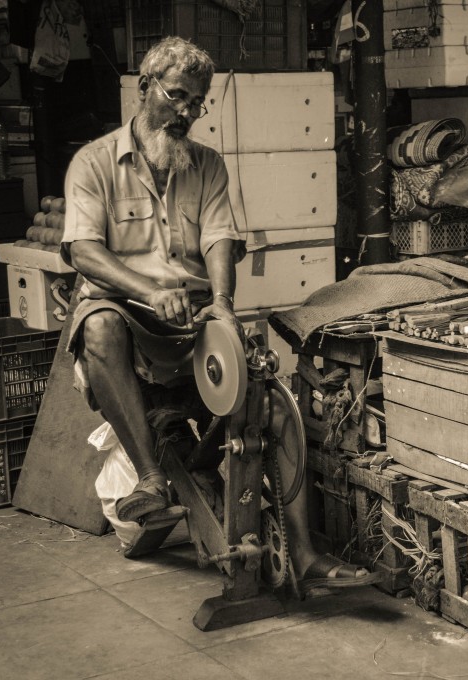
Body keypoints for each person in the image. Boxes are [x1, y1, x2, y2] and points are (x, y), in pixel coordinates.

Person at [62, 36, 372, 588]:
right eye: (177, 96)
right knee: (98, 324)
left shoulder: (206, 166)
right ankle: (152, 478)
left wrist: (224, 306)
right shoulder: (93, 164)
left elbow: (219, 240)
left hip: (192, 321)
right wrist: (148, 291)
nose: (187, 113)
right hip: (129, 318)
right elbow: (83, 251)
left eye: (197, 103)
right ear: (144, 89)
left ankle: (303, 555)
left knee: (273, 404)